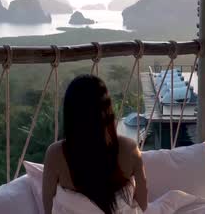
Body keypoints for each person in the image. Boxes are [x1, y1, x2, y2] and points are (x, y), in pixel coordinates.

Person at [42, 74, 148, 214]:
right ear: (107, 110)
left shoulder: (55, 154)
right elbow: (143, 204)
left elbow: (48, 207)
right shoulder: (130, 149)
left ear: (70, 114)